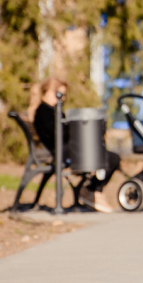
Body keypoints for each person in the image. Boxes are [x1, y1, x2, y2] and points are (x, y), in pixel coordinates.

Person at [32, 77, 120, 213]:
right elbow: (57, 134)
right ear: (49, 91)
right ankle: (91, 190)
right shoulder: (43, 112)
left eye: (64, 95)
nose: (62, 99)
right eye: (59, 94)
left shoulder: (54, 110)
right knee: (108, 157)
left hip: (68, 149)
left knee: (110, 156)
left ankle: (92, 189)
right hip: (63, 152)